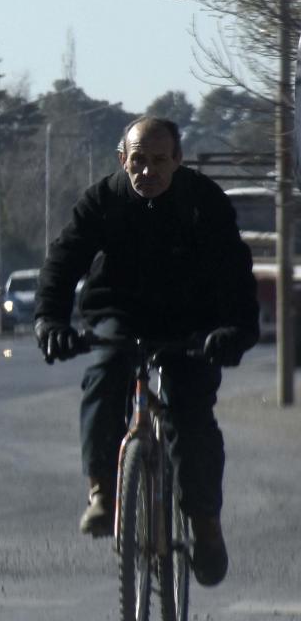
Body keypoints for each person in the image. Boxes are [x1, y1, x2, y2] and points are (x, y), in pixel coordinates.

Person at [34, 115, 258, 585]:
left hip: (190, 322)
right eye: (138, 160)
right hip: (120, 313)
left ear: (178, 160)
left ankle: (205, 525)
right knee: (104, 375)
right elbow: (63, 260)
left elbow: (234, 271)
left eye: (159, 160)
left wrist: (235, 330)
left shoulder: (203, 201)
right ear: (123, 160)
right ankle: (102, 491)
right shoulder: (103, 200)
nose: (148, 171)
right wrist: (50, 320)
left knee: (191, 416)